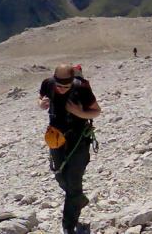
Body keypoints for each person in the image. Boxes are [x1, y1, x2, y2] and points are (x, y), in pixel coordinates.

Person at [39, 64, 101, 234]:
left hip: (79, 140)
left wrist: (79, 113)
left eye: (66, 86)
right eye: (59, 86)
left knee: (73, 182)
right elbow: (41, 98)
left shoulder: (81, 88)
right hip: (56, 138)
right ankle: (78, 199)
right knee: (60, 176)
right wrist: (41, 103)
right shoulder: (48, 84)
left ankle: (68, 226)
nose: (61, 89)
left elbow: (96, 111)